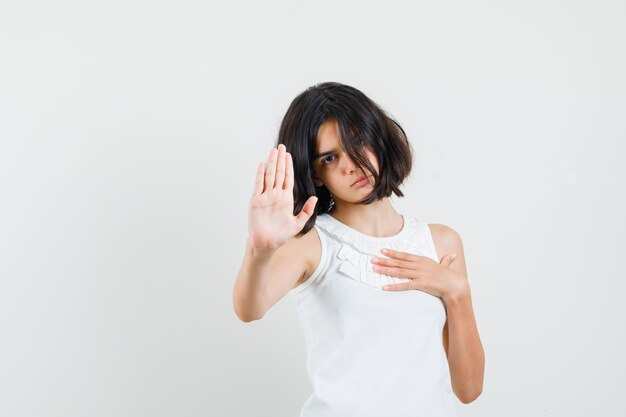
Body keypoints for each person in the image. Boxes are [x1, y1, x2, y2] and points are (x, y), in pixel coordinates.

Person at [233, 82, 485, 417]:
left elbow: (468, 389)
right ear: (316, 174)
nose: (350, 165)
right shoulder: (311, 243)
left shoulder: (441, 242)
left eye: (358, 141)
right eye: (330, 157)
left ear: (378, 138)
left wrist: (457, 291)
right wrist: (261, 251)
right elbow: (250, 309)